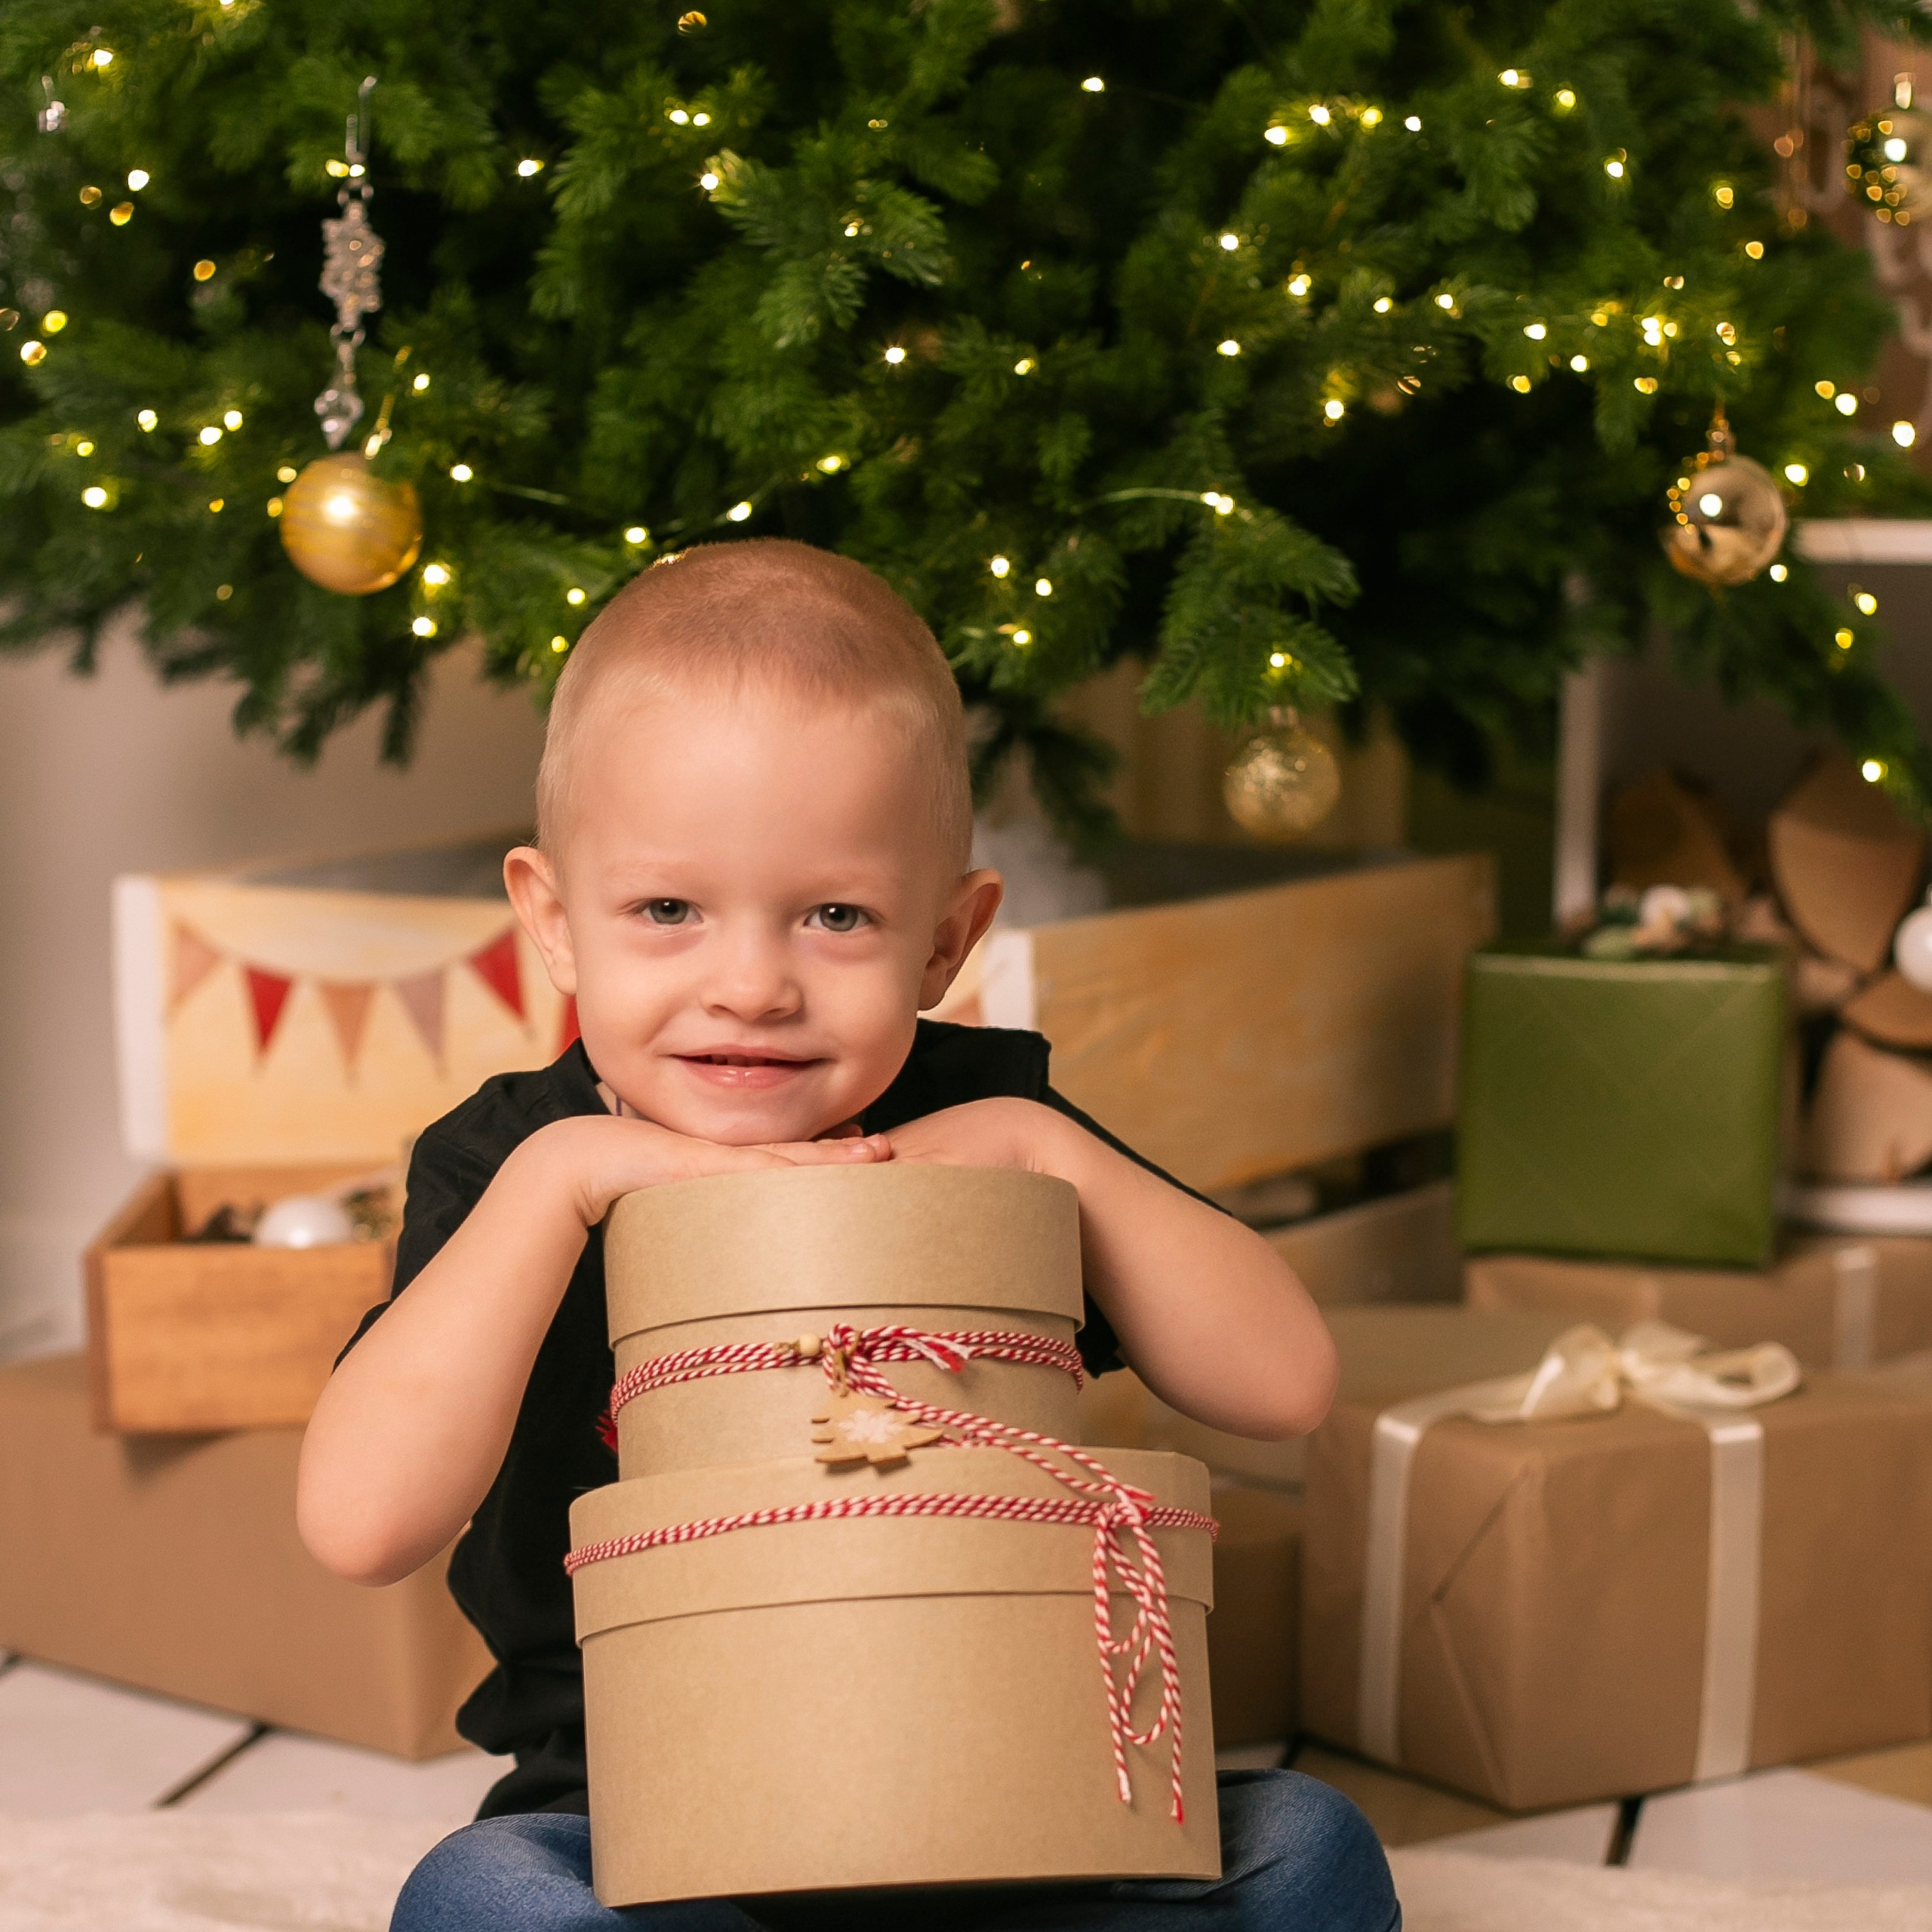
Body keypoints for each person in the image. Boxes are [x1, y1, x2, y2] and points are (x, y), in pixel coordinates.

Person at [297, 539, 1398, 1932]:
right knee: (484, 1899)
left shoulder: (984, 1124)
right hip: (641, 1806)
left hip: (1002, 1791)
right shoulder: (516, 1159)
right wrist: (563, 1179)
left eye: (835, 916)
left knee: (1311, 1846)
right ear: (554, 922)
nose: (750, 986)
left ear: (946, 943)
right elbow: (358, 1524)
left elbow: (1284, 1384)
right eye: (667, 910)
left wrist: (1040, 1149)